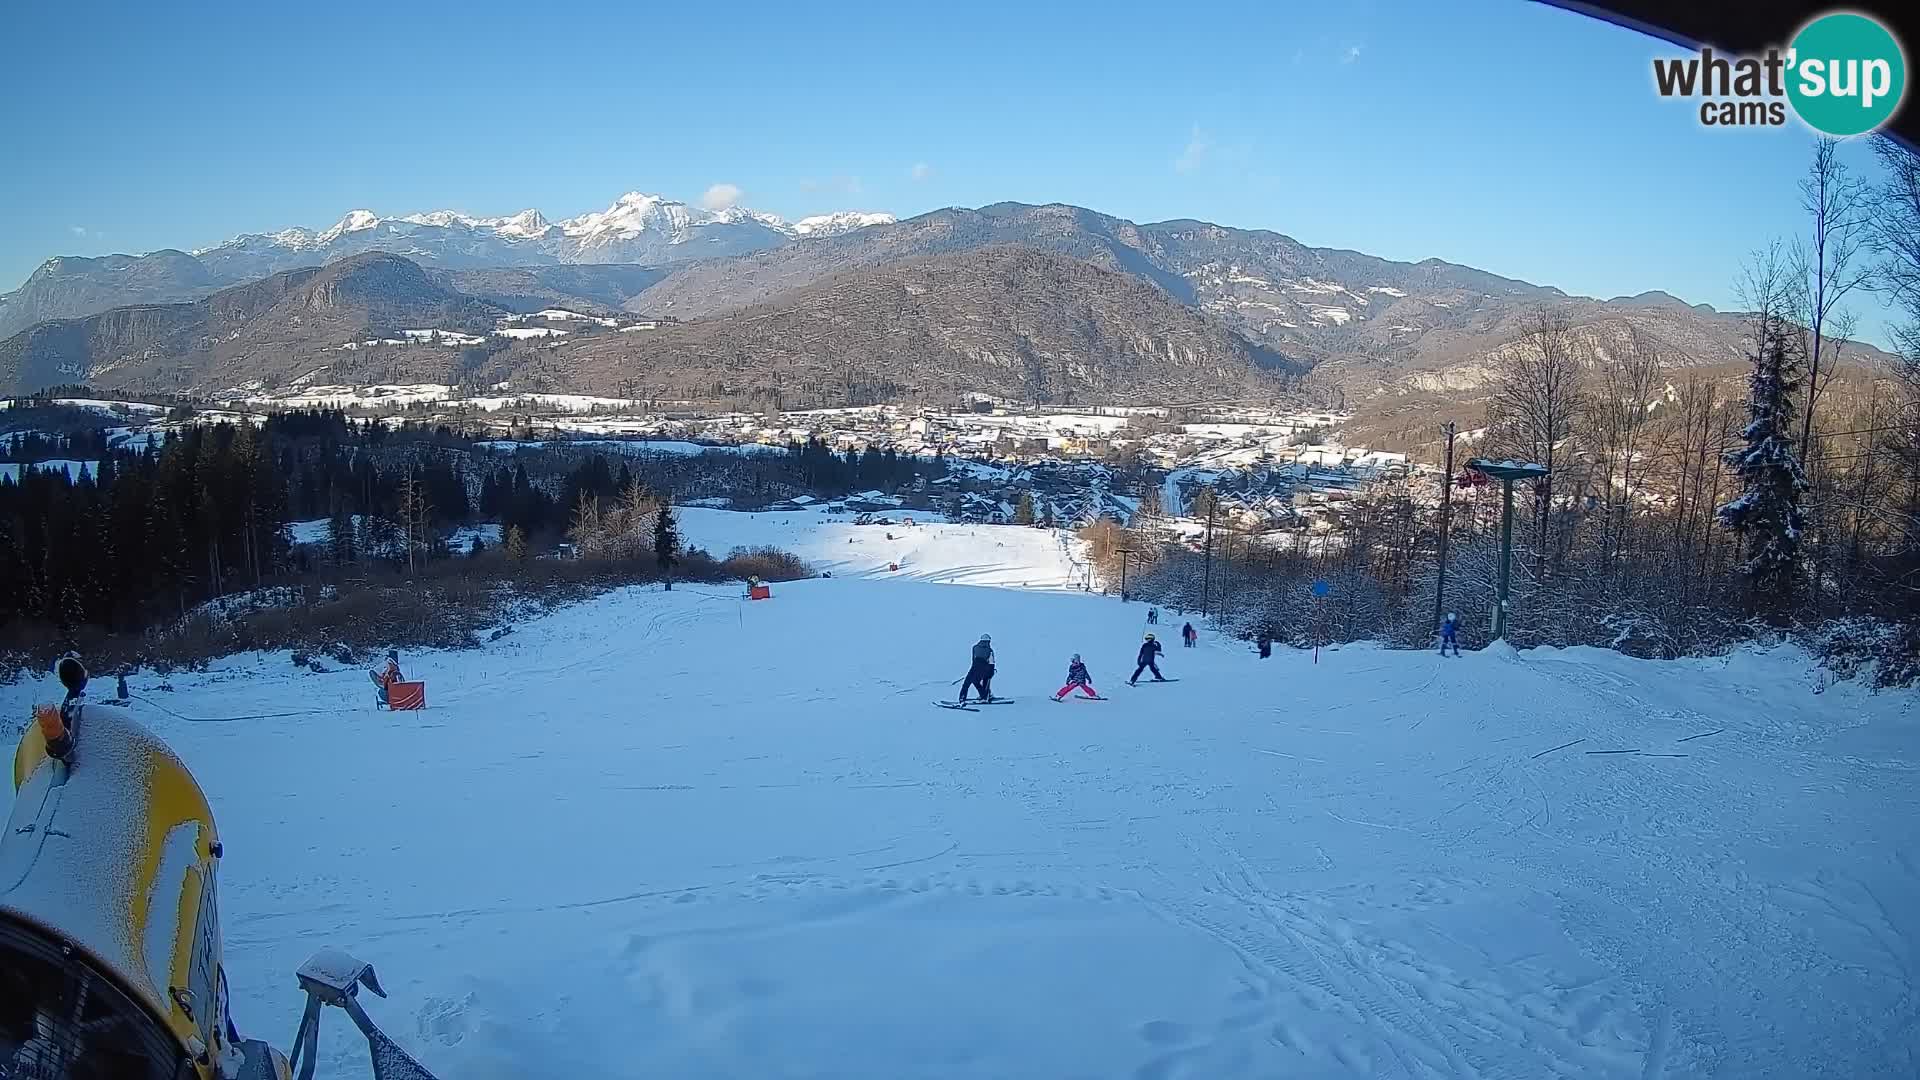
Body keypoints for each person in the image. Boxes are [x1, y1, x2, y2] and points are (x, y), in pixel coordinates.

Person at [959, 634, 996, 702]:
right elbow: (991, 662)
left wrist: (973, 669)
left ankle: (962, 697)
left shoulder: (974, 647)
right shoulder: (990, 650)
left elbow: (973, 658)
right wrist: (991, 671)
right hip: (985, 668)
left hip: (974, 667)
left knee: (967, 682)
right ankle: (985, 696)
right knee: (984, 680)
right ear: (988, 641)